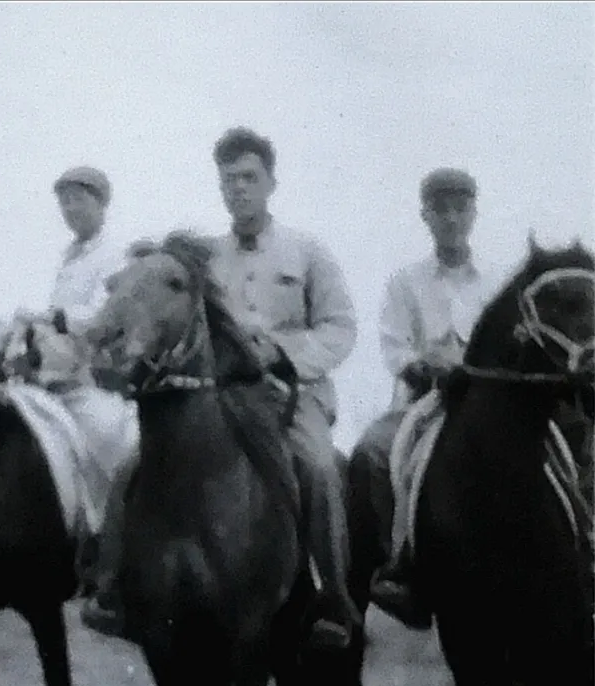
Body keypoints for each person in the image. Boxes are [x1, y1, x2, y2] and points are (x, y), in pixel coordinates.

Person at [359, 169, 588, 627]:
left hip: (494, 406)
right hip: (430, 401)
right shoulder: (406, 283)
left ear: (473, 213)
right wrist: (425, 364)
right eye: (440, 210)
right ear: (426, 216)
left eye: (459, 209)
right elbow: (395, 345)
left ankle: (583, 539)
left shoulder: (499, 282)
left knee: (565, 445)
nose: (450, 219)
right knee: (376, 451)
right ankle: (404, 562)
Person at [209, 126, 360, 650]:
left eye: (249, 178)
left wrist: (283, 354)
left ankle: (333, 599)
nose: (239, 189)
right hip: (226, 396)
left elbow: (340, 327)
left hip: (294, 395)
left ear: (272, 182)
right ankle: (135, 584)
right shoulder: (208, 259)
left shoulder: (308, 251)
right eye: (228, 180)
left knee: (318, 466)